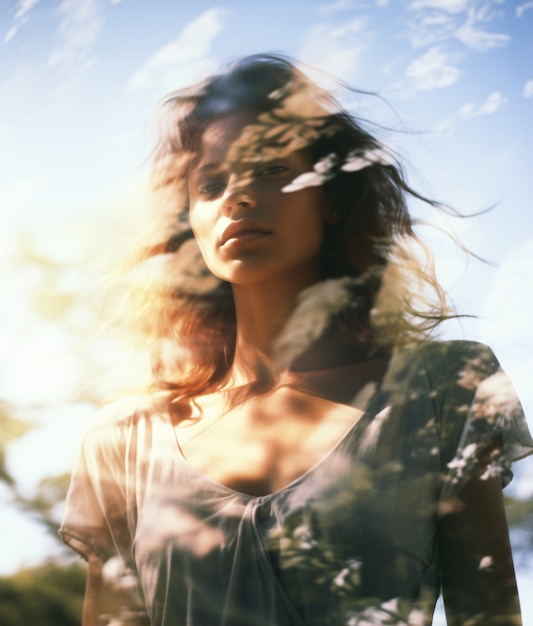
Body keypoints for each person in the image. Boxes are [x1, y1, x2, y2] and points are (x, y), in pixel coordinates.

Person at [59, 54, 533, 626]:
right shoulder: (124, 442)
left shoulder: (444, 390)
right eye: (210, 184)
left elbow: (487, 615)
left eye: (269, 168)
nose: (236, 197)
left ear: (331, 196)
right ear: (191, 221)